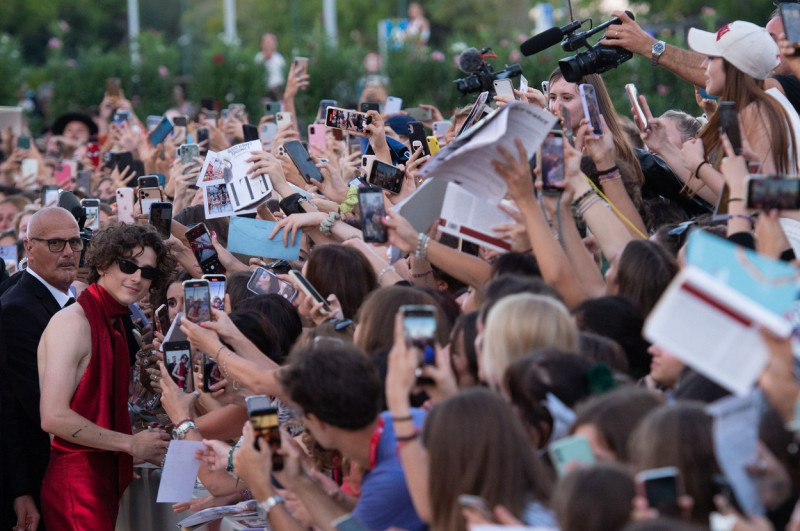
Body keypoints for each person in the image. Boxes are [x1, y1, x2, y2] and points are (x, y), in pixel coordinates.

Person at [38, 223, 176, 530]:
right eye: (128, 265)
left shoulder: (112, 324)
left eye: (148, 272)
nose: (138, 277)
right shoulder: (73, 324)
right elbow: (53, 417)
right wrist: (130, 444)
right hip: (76, 484)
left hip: (97, 479)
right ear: (102, 263)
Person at [0, 207, 80, 531]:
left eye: (75, 242)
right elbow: (22, 408)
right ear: (29, 248)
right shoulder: (17, 310)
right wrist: (21, 489)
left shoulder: (65, 301)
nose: (70, 253)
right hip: (39, 479)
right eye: (56, 244)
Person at [255, 33, 287, 100]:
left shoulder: (279, 59)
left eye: (271, 42)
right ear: (262, 43)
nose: (269, 44)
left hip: (277, 92)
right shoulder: (258, 58)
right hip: (262, 92)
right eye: (267, 42)